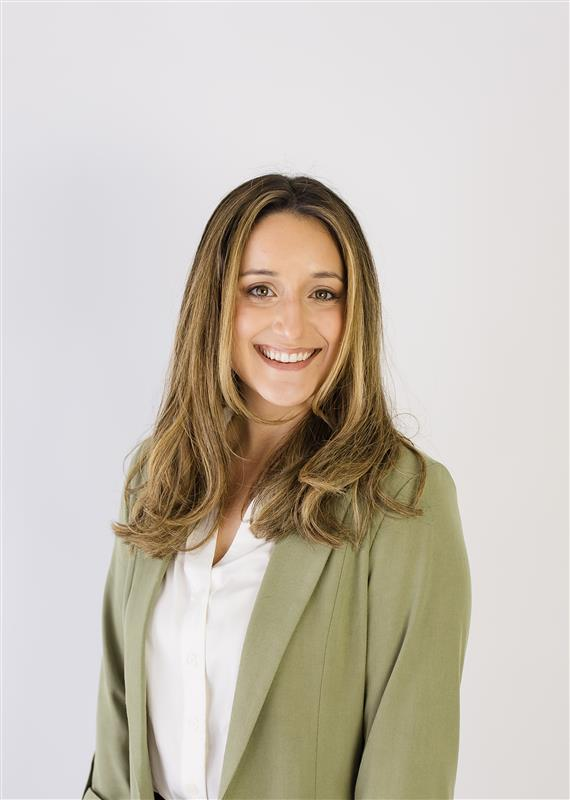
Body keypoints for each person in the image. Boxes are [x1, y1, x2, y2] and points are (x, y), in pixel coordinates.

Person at [82, 173, 472, 800]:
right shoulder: (157, 474)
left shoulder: (403, 498)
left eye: (324, 292)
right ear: (214, 304)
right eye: (260, 290)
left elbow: (410, 768)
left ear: (355, 312)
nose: (293, 325)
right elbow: (117, 720)